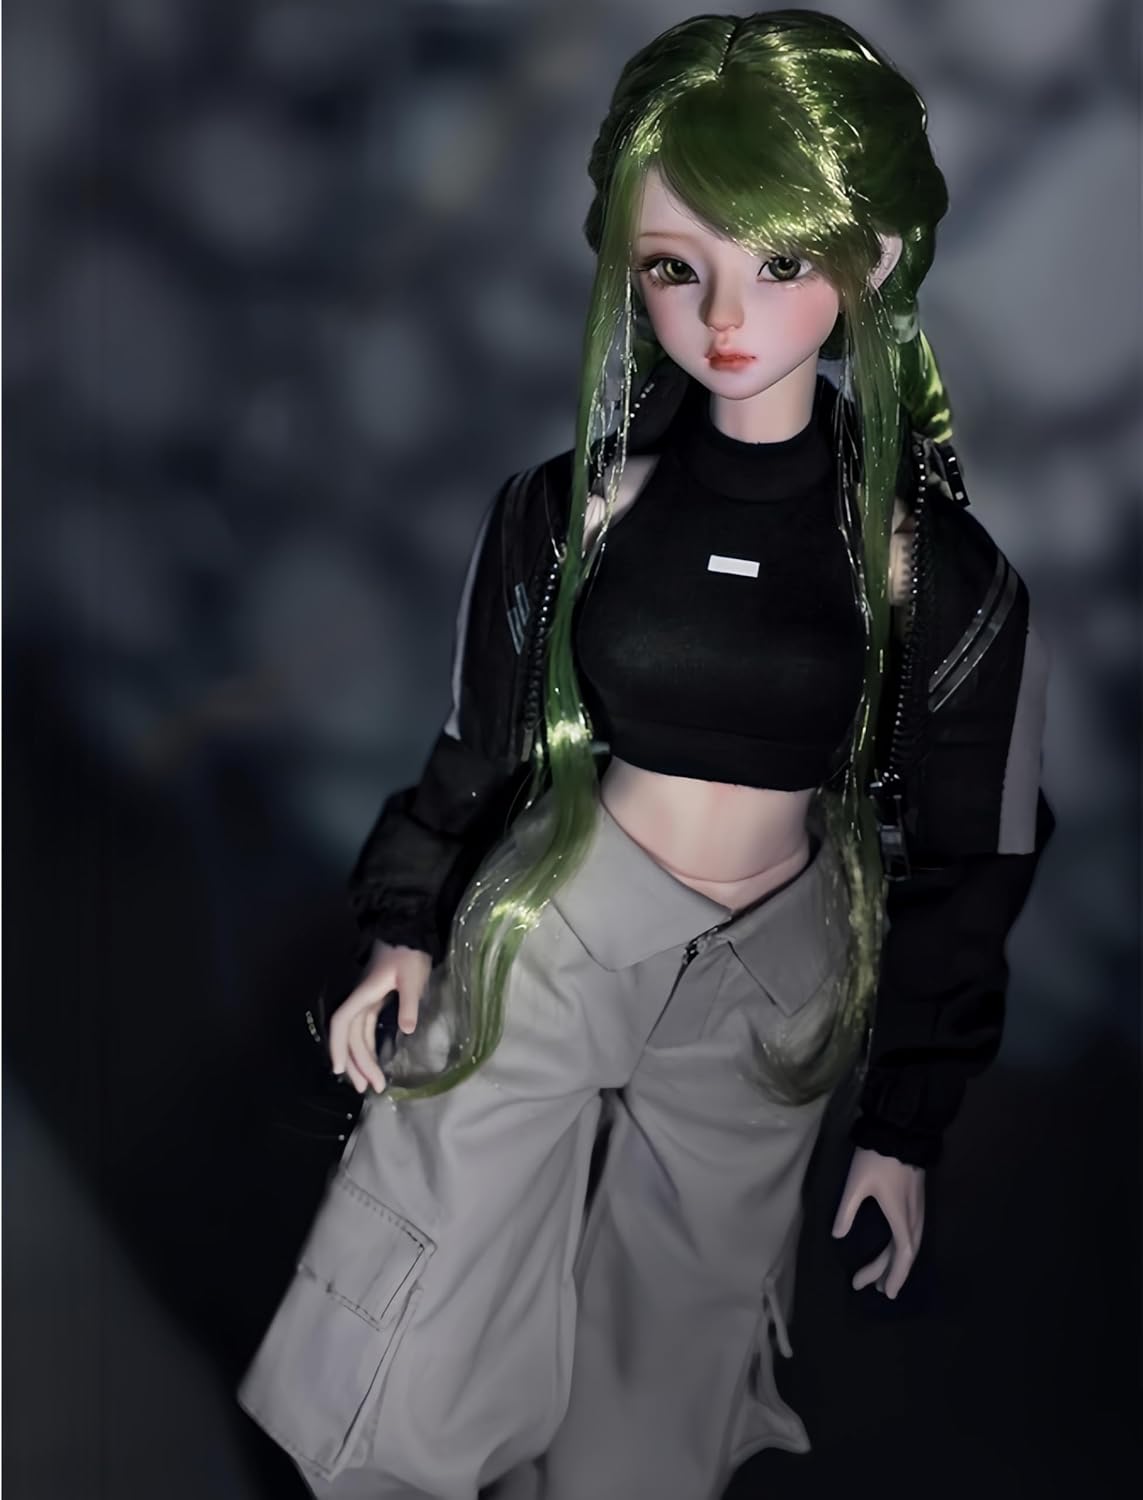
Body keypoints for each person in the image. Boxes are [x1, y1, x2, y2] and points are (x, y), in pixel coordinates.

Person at [238, 12, 1054, 1499]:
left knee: (683, 1325)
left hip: (776, 969)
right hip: (563, 916)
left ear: (872, 260)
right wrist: (404, 926)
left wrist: (906, 1120)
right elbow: (475, 740)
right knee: (432, 1241)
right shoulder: (574, 513)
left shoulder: (934, 574)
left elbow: (976, 853)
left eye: (780, 262)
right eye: (677, 268)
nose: (726, 315)